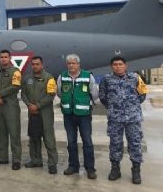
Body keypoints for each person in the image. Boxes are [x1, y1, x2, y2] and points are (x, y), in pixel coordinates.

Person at [99, 56, 147, 184]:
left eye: (120, 64)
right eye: (115, 64)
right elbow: (103, 96)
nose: (118, 66)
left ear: (126, 65)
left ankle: (136, 171)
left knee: (135, 144)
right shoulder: (106, 79)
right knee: (115, 144)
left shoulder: (135, 78)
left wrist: (132, 107)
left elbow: (142, 95)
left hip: (133, 118)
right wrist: (114, 107)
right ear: (111, 66)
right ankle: (115, 169)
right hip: (115, 118)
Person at [57, 54, 98, 179]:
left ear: (78, 64)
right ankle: (73, 166)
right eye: (69, 63)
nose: (71, 65)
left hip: (84, 115)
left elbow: (94, 94)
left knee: (87, 142)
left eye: (73, 63)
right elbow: (59, 92)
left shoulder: (87, 76)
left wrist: (83, 102)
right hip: (68, 115)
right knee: (71, 142)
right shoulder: (62, 76)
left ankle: (90, 169)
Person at [21, 56, 58, 174]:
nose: (35, 66)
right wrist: (29, 105)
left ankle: (52, 164)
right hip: (32, 113)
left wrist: (37, 105)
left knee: (49, 138)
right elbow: (23, 94)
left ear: (42, 65)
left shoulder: (49, 78)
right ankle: (36, 160)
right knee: (33, 137)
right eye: (33, 64)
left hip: (45, 113)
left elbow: (51, 96)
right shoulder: (27, 79)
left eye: (37, 64)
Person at [0, 50, 22, 170]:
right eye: (1, 57)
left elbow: (15, 86)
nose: (3, 59)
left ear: (10, 58)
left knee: (14, 133)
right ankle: (2, 157)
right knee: (1, 132)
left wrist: (0, 94)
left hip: (11, 106)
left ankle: (16, 160)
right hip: (0, 105)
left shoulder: (15, 72)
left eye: (5, 57)